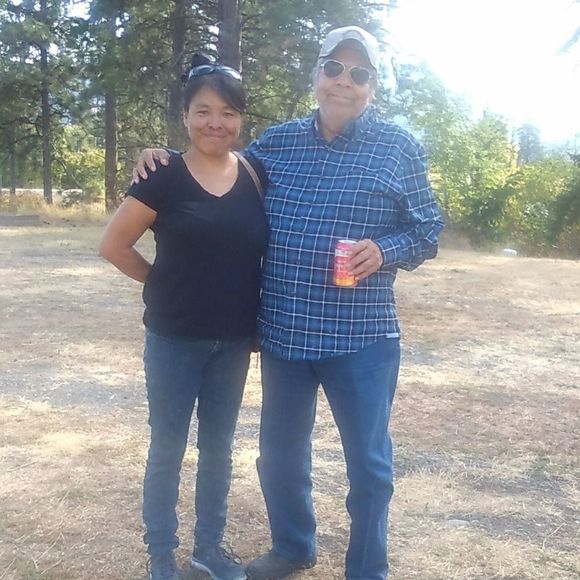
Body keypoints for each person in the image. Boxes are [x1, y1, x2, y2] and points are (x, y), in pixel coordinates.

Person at [134, 26, 444, 580]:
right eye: (334, 68)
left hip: (361, 337)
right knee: (278, 457)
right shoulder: (276, 144)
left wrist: (386, 249)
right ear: (317, 74)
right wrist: (163, 159)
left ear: (372, 86)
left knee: (368, 465)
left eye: (358, 74)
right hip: (284, 332)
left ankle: (367, 569)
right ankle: (293, 547)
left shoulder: (399, 147)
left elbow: (427, 230)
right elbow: (215, 161)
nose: (343, 81)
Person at [100, 53, 268, 580]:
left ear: (241, 119)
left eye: (228, 112)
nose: (216, 122)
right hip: (173, 339)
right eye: (203, 111)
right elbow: (114, 245)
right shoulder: (163, 174)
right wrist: (161, 283)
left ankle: (208, 550)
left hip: (234, 342)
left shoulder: (255, 173)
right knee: (167, 448)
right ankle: (161, 556)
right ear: (185, 116)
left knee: (218, 450)